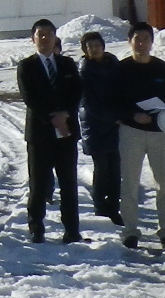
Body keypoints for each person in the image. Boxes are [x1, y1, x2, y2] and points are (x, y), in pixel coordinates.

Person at [117, 21, 165, 250]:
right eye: (137, 38)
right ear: (130, 41)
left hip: (160, 132)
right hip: (131, 132)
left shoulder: (163, 69)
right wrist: (132, 116)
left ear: (151, 42)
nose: (141, 43)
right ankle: (130, 231)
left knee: (164, 182)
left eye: (145, 39)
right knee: (130, 183)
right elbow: (110, 100)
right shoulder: (121, 70)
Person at [17, 19, 84, 244]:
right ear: (33, 39)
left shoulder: (66, 64)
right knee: (38, 183)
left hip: (66, 132)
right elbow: (30, 98)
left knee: (68, 183)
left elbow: (76, 92)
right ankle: (36, 227)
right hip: (40, 133)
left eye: (49, 34)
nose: (45, 38)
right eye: (40, 34)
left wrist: (64, 114)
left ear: (56, 37)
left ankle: (72, 229)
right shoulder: (26, 66)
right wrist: (53, 117)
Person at [77, 31, 123, 224]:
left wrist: (122, 114)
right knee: (102, 168)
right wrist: (113, 118)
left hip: (116, 124)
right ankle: (100, 207)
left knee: (116, 168)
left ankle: (114, 206)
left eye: (97, 45)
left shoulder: (115, 65)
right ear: (85, 51)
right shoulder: (84, 71)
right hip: (95, 125)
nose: (94, 49)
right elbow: (87, 102)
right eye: (90, 46)